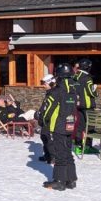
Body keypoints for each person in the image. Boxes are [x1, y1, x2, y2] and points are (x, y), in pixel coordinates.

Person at [37, 63, 83, 191]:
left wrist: (42, 120)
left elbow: (48, 110)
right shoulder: (73, 90)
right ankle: (71, 179)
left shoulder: (56, 91)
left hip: (58, 125)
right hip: (70, 123)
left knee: (60, 153)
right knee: (67, 151)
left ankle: (59, 181)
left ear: (58, 76)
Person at [37, 72, 56, 162]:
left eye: (45, 84)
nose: (43, 85)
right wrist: (40, 113)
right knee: (43, 136)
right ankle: (47, 155)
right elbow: (45, 105)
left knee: (48, 138)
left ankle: (53, 157)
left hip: (51, 119)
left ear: (51, 83)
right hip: (45, 118)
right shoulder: (49, 93)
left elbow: (51, 107)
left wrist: (44, 115)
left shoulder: (54, 93)